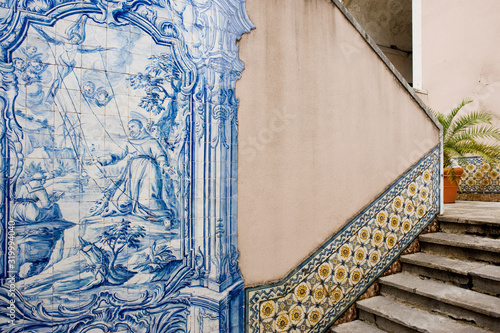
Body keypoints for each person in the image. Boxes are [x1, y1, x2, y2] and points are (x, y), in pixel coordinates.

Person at [88, 119, 178, 228]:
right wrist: (100, 160)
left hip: (149, 171)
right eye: (129, 127)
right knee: (119, 200)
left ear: (141, 128)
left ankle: (164, 218)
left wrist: (165, 166)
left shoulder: (151, 141)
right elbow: (117, 155)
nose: (130, 130)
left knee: (148, 198)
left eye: (133, 127)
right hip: (132, 172)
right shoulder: (128, 142)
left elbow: (160, 155)